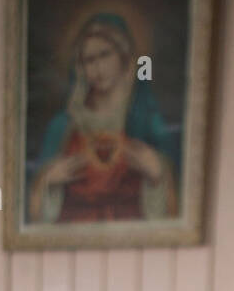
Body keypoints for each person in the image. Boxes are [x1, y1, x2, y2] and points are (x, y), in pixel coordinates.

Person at [29, 12, 178, 225]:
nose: (98, 68)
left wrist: (156, 175)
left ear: (123, 55)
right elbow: (31, 214)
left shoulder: (146, 121)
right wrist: (49, 181)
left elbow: (174, 208)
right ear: (80, 68)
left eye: (105, 55)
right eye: (89, 60)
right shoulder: (62, 126)